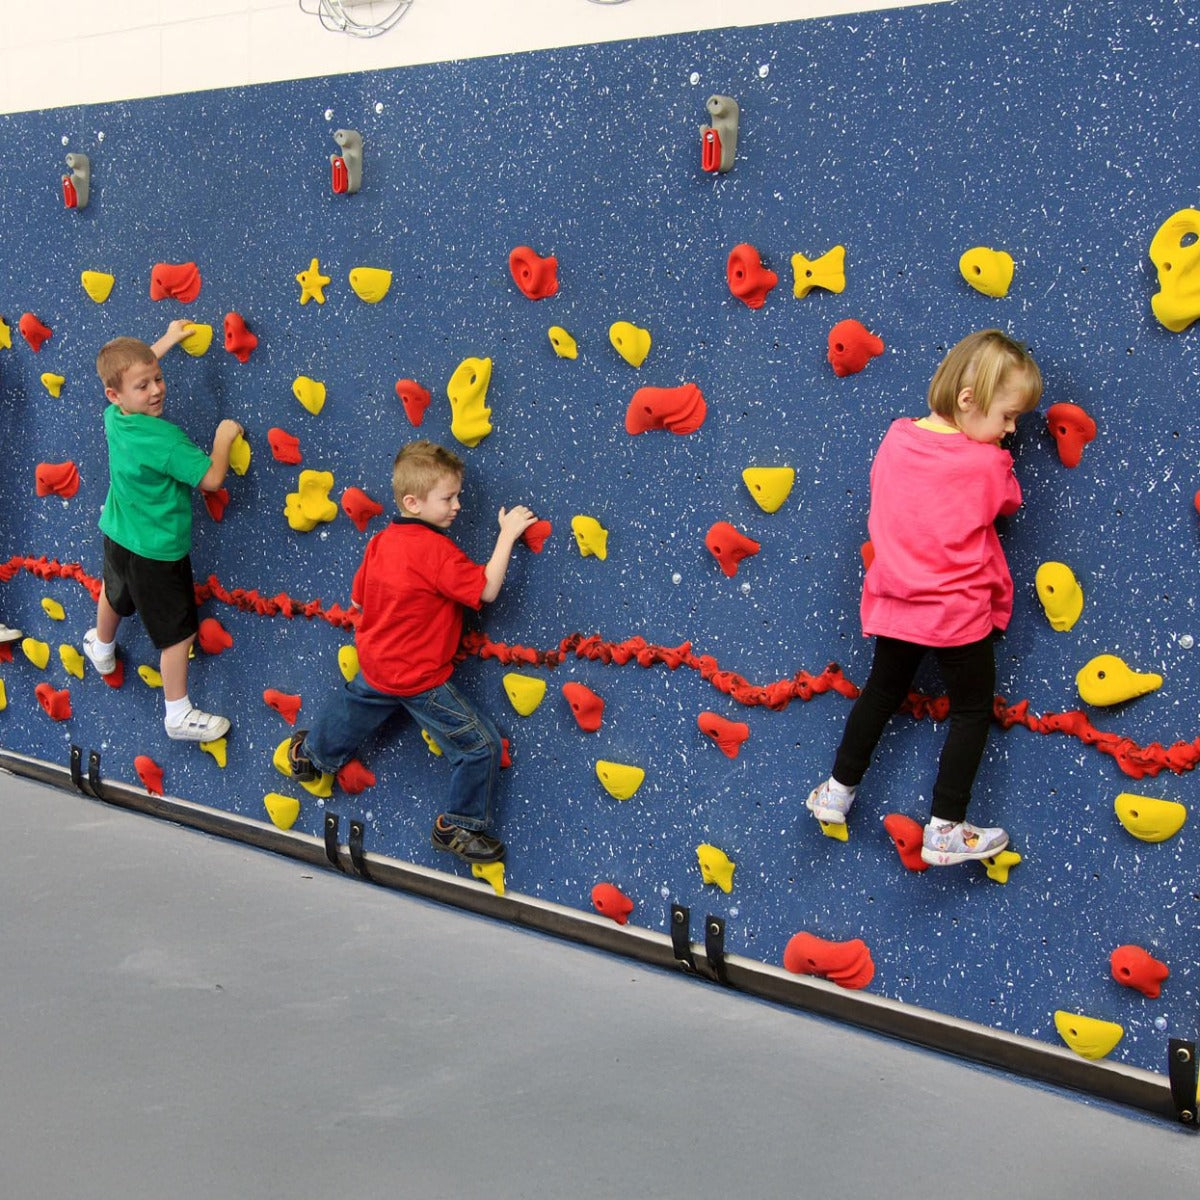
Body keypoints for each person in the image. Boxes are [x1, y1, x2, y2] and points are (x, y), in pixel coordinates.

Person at [806, 329, 1043, 866]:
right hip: (957, 614)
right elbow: (1005, 504)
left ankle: (836, 793)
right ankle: (945, 829)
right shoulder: (988, 465)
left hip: (895, 605)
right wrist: (994, 462)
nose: (1010, 431)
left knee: (880, 694)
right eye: (1008, 416)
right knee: (972, 710)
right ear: (968, 399)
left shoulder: (896, 438)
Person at [286, 439, 537, 865]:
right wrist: (508, 535)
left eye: (458, 495)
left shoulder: (382, 541)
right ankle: (460, 824)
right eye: (449, 498)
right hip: (421, 679)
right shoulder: (437, 551)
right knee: (480, 745)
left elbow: (360, 601)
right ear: (413, 502)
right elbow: (487, 589)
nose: (457, 506)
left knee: (353, 706)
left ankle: (311, 758)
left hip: (377, 664)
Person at [84, 320, 243, 742]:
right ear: (117, 394)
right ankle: (178, 712)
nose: (156, 390)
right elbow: (210, 479)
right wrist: (223, 438)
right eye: (144, 386)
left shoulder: (114, 417)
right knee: (179, 633)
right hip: (158, 552)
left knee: (113, 591)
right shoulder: (166, 439)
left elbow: (131, 373)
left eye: (158, 378)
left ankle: (101, 647)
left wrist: (168, 340)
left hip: (118, 532)